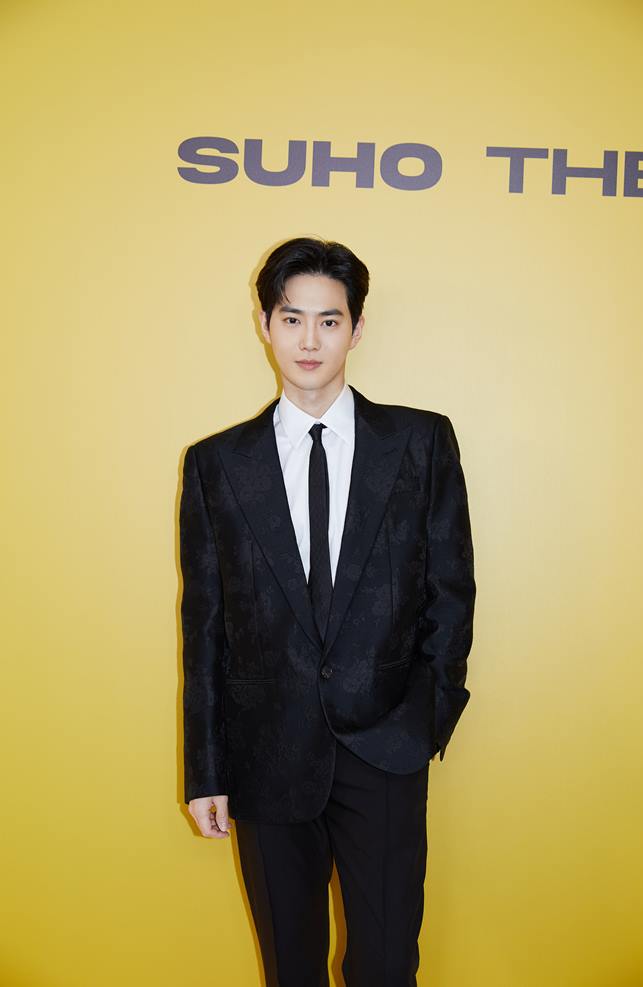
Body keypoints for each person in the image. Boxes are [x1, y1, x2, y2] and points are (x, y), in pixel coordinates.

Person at [179, 236, 476, 986]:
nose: (309, 340)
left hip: (386, 749)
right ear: (265, 325)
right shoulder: (217, 463)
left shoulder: (420, 442)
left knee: (386, 965)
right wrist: (206, 768)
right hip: (265, 755)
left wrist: (425, 719)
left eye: (329, 320)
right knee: (291, 966)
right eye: (292, 319)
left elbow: (451, 590)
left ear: (357, 327)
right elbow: (205, 625)